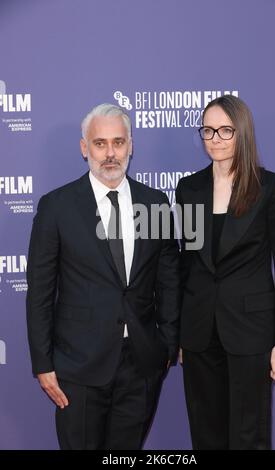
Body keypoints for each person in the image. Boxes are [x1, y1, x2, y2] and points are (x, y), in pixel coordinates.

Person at [26, 103, 180, 450]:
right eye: (100, 143)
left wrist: (166, 344)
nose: (110, 154)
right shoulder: (57, 207)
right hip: (77, 367)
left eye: (118, 142)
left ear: (131, 145)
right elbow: (39, 291)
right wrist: (43, 363)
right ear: (85, 148)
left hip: (140, 365)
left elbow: (168, 278)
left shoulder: (154, 203)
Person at [176, 95, 275, 450]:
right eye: (208, 130)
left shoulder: (271, 188)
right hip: (200, 333)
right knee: (206, 434)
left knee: (249, 436)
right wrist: (182, 334)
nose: (215, 138)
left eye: (225, 130)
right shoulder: (189, 189)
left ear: (242, 132)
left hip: (251, 332)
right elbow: (187, 264)